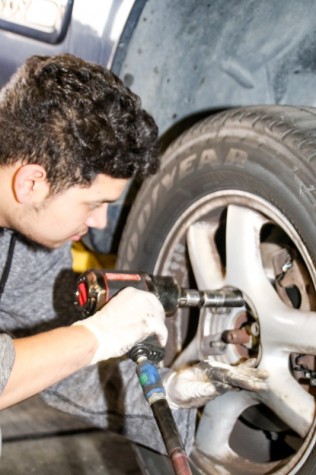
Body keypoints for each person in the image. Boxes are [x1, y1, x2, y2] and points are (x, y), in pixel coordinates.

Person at [0, 54, 268, 455]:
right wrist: (98, 334)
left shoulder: (28, 243)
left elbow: (50, 358)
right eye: (93, 203)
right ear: (33, 182)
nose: (101, 223)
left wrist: (171, 390)